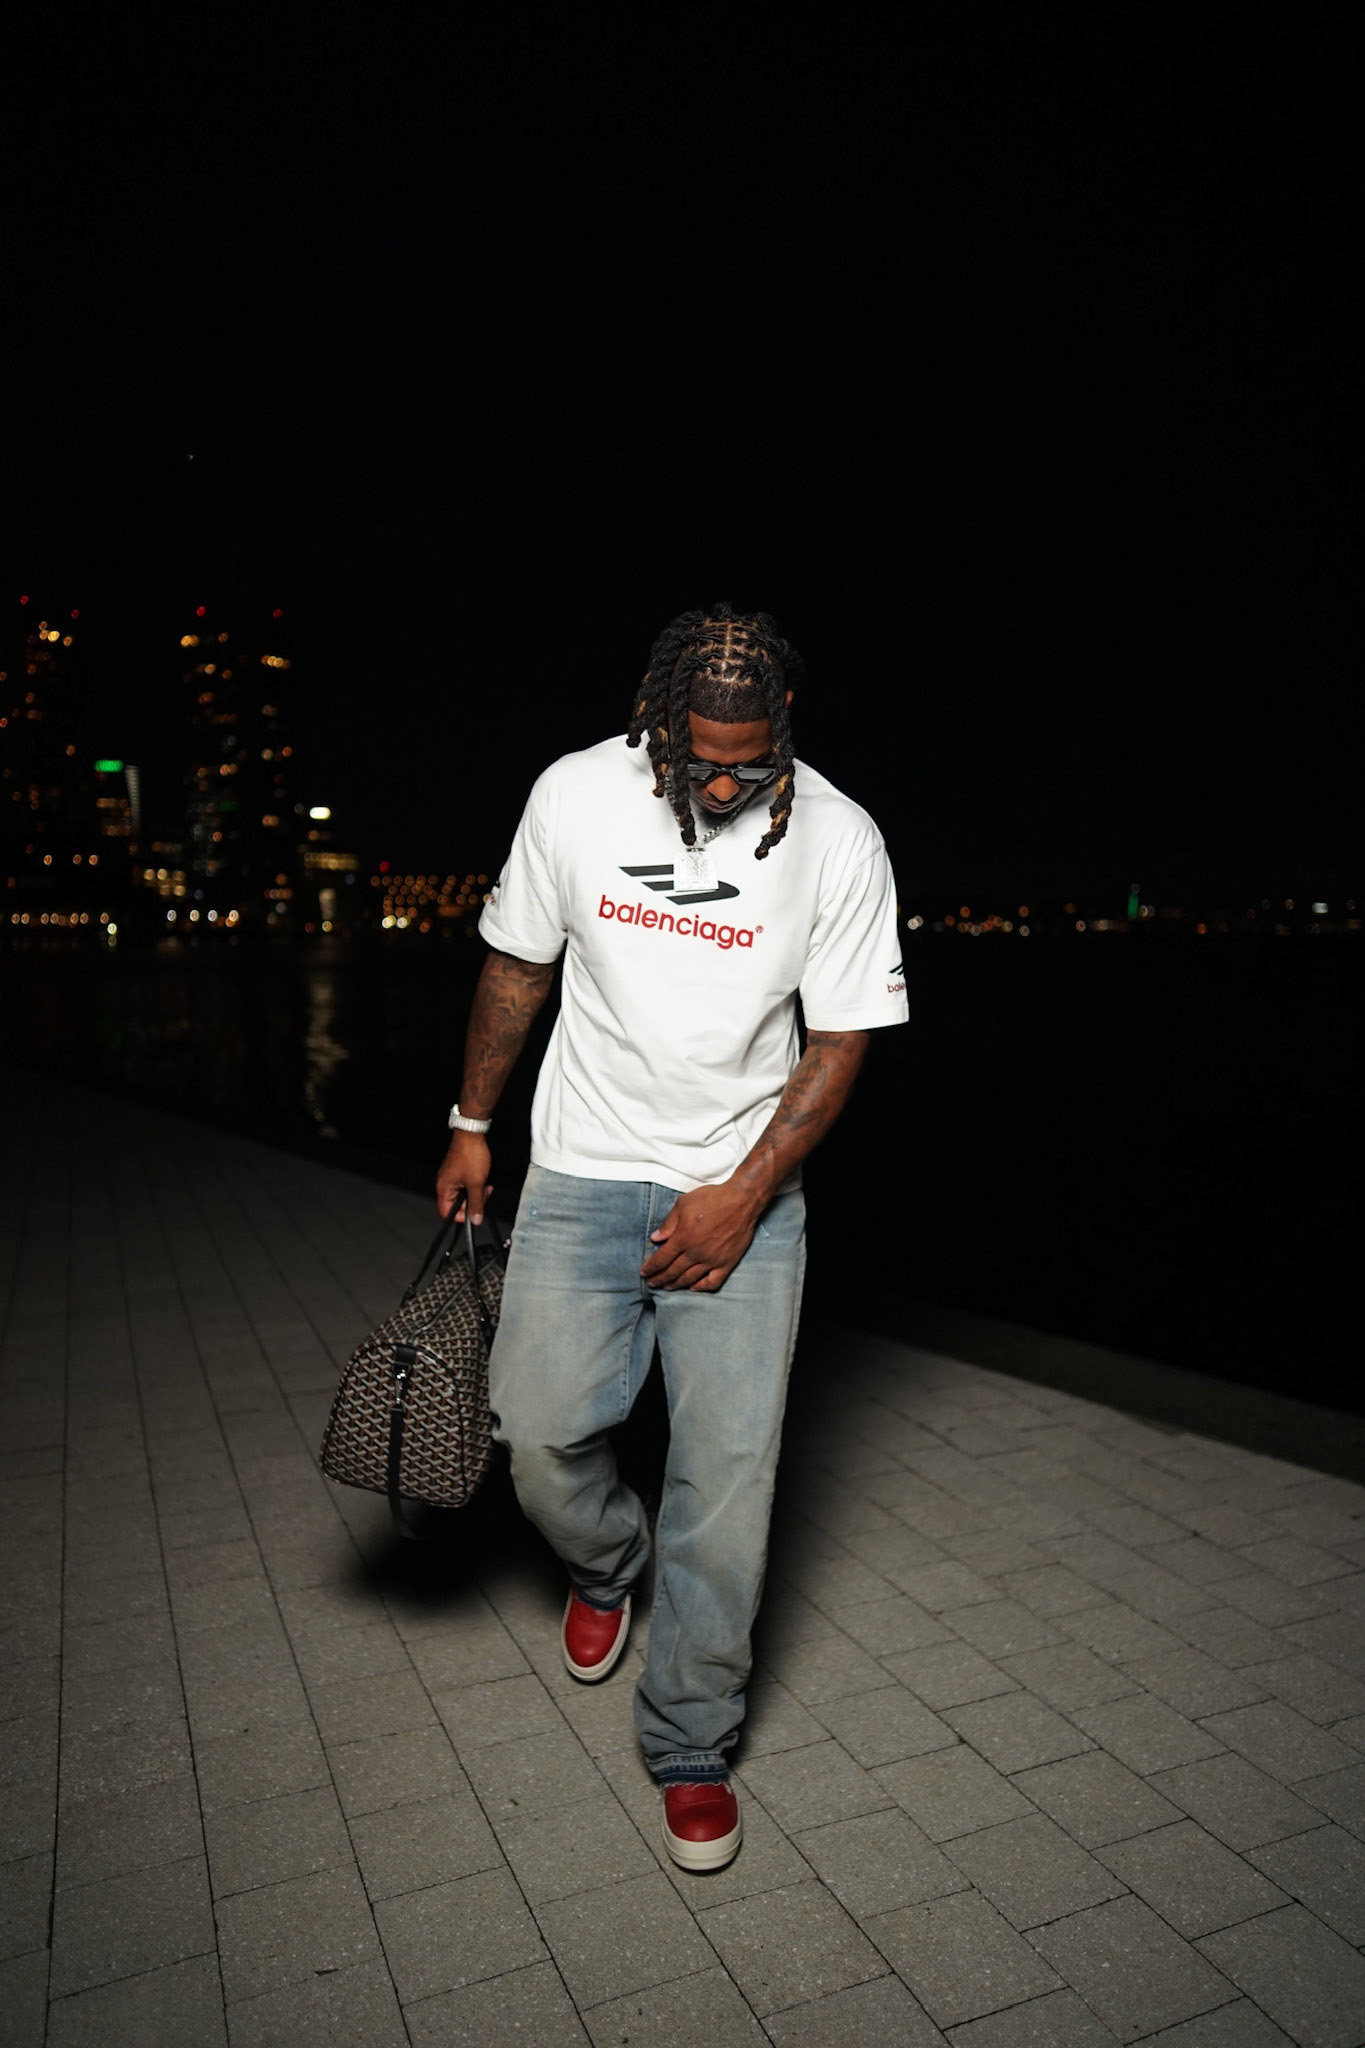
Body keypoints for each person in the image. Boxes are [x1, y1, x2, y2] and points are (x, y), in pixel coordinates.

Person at [436, 603, 907, 1870]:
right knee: (535, 1433)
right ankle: (607, 1560)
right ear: (652, 719)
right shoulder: (574, 794)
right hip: (582, 1173)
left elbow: (840, 1039)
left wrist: (743, 1193)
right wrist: (471, 1121)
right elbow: (517, 967)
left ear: (785, 726)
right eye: (698, 758)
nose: (722, 786)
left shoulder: (842, 837)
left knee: (728, 1484)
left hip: (741, 1194)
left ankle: (692, 1735)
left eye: (748, 764)